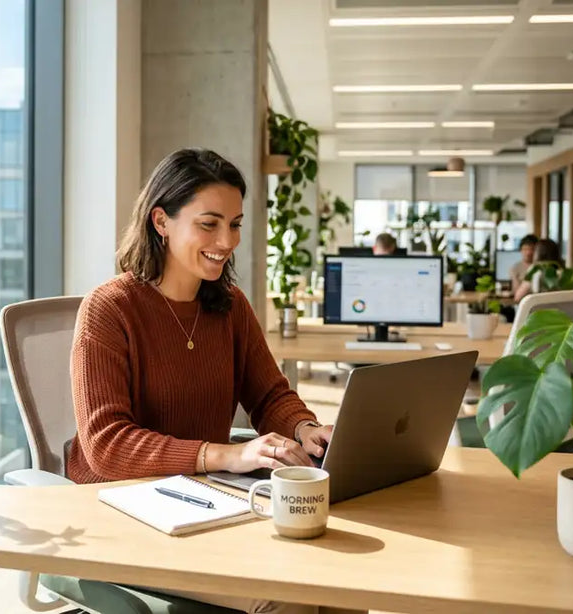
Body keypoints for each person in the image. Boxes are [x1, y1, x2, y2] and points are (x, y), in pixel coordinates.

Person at [64, 148, 358, 614]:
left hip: (204, 500)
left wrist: (304, 430)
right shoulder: (109, 309)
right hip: (122, 511)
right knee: (286, 600)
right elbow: (105, 444)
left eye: (235, 224)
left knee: (343, 578)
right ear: (161, 221)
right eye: (209, 223)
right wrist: (226, 454)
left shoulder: (229, 306)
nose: (227, 239)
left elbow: (269, 394)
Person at [513, 238, 561, 303]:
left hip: (539, 312)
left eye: (534, 250)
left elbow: (518, 297)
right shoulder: (565, 273)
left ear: (539, 254)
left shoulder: (536, 270)